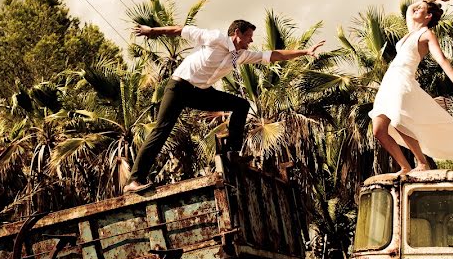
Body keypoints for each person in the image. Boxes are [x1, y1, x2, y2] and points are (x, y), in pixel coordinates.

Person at [124, 20, 325, 193]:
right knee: (162, 130)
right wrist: (152, 31)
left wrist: (305, 52)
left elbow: (274, 55)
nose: (251, 41)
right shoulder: (215, 38)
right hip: (179, 87)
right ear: (236, 33)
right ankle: (134, 180)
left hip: (200, 92)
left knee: (241, 105)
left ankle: (232, 154)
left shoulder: (241, 55)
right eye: (249, 36)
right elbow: (180, 29)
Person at [369, 0, 453, 175]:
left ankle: (422, 163)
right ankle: (405, 166)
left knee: (399, 121)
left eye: (421, 9)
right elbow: (409, 9)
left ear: (428, 16)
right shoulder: (411, 31)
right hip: (388, 82)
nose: (415, 9)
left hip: (403, 80)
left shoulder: (426, 34)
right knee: (379, 130)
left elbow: (442, 59)